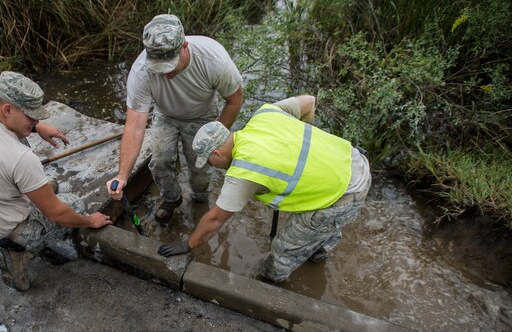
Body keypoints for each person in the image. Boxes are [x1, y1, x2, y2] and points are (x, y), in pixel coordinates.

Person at [157, 95, 372, 284]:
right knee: (319, 232)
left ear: (217, 154)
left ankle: (271, 283)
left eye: (210, 162)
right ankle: (317, 254)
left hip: (344, 193)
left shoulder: (244, 170)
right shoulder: (264, 115)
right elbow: (309, 102)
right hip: (352, 159)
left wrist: (188, 243)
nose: (213, 167)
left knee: (284, 249)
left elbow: (215, 220)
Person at [0, 71, 112, 291]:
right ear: (7, 109)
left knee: (43, 184)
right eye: (32, 117)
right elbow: (57, 214)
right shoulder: (20, 158)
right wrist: (90, 221)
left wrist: (36, 127)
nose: (36, 121)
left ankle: (28, 201)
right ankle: (19, 255)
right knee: (74, 206)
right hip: (6, 232)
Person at [106, 13, 243, 222]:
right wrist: (122, 175)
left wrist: (216, 134)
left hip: (202, 115)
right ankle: (172, 198)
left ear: (184, 47)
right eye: (158, 69)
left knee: (200, 168)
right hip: (165, 114)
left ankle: (199, 198)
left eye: (170, 66)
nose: (165, 74)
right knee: (159, 161)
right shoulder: (141, 71)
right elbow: (134, 126)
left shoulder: (214, 59)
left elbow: (234, 100)